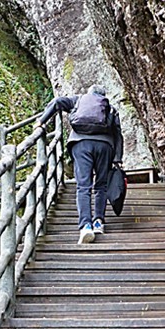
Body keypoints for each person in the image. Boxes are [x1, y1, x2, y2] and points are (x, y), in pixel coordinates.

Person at [35, 85, 123, 244]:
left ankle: (85, 226)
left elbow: (57, 102)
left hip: (80, 144)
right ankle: (98, 222)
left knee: (83, 186)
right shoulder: (110, 108)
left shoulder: (78, 100)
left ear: (89, 94)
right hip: (104, 146)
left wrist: (41, 121)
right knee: (101, 185)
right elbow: (118, 134)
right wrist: (117, 159)